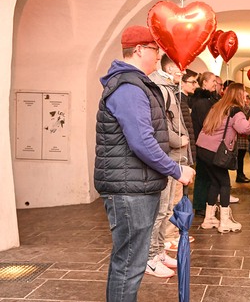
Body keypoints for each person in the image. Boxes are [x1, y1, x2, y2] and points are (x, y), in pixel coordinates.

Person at [94, 25, 195, 302]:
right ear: (138, 50)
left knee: (132, 262)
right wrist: (176, 170)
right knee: (129, 264)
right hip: (130, 191)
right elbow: (141, 141)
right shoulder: (129, 86)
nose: (157, 56)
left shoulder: (133, 83)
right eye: (154, 50)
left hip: (135, 185)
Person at [196, 83, 250, 233]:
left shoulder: (218, 106)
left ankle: (209, 219)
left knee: (214, 183)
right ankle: (224, 222)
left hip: (203, 149)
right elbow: (243, 128)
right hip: (215, 151)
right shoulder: (235, 110)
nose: (245, 95)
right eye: (243, 92)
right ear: (238, 94)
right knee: (224, 183)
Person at [148, 54, 194, 256]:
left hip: (175, 157)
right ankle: (153, 254)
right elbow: (161, 124)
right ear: (168, 69)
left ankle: (160, 252)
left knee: (167, 209)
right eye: (179, 67)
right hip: (169, 156)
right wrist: (178, 140)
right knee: (160, 211)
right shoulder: (162, 89)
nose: (182, 72)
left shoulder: (169, 89)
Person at [191, 71, 219, 216]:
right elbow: (206, 123)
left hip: (208, 143)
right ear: (205, 83)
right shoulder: (202, 103)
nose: (215, 83)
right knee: (203, 175)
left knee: (208, 175)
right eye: (213, 81)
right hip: (204, 144)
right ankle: (201, 204)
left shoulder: (209, 100)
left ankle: (207, 203)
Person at [235, 91, 250, 183]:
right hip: (240, 138)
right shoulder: (242, 108)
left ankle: (241, 174)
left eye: (248, 97)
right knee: (240, 157)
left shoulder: (246, 107)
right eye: (246, 97)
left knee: (241, 157)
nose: (247, 100)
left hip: (244, 137)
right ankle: (240, 175)